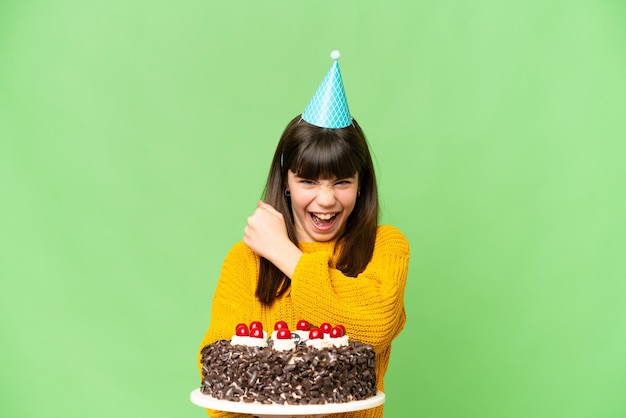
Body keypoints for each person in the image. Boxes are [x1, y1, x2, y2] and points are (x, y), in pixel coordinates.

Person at [198, 51, 409, 418]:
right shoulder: (245, 261)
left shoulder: (384, 246)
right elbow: (222, 377)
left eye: (342, 182)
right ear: (287, 182)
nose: (325, 200)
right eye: (308, 181)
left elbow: (375, 326)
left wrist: (284, 253)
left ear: (361, 185)